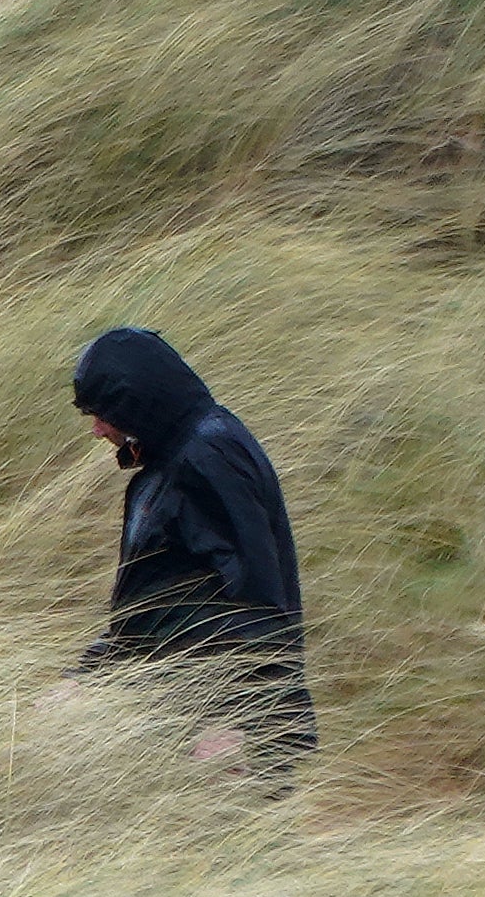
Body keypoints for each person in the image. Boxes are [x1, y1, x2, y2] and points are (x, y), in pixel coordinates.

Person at [63, 326, 314, 779]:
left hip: (223, 737)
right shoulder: (169, 464)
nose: (97, 428)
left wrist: (240, 724)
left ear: (135, 399)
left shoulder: (208, 455)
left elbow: (256, 597)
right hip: (178, 718)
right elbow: (154, 604)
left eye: (102, 412)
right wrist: (86, 680)